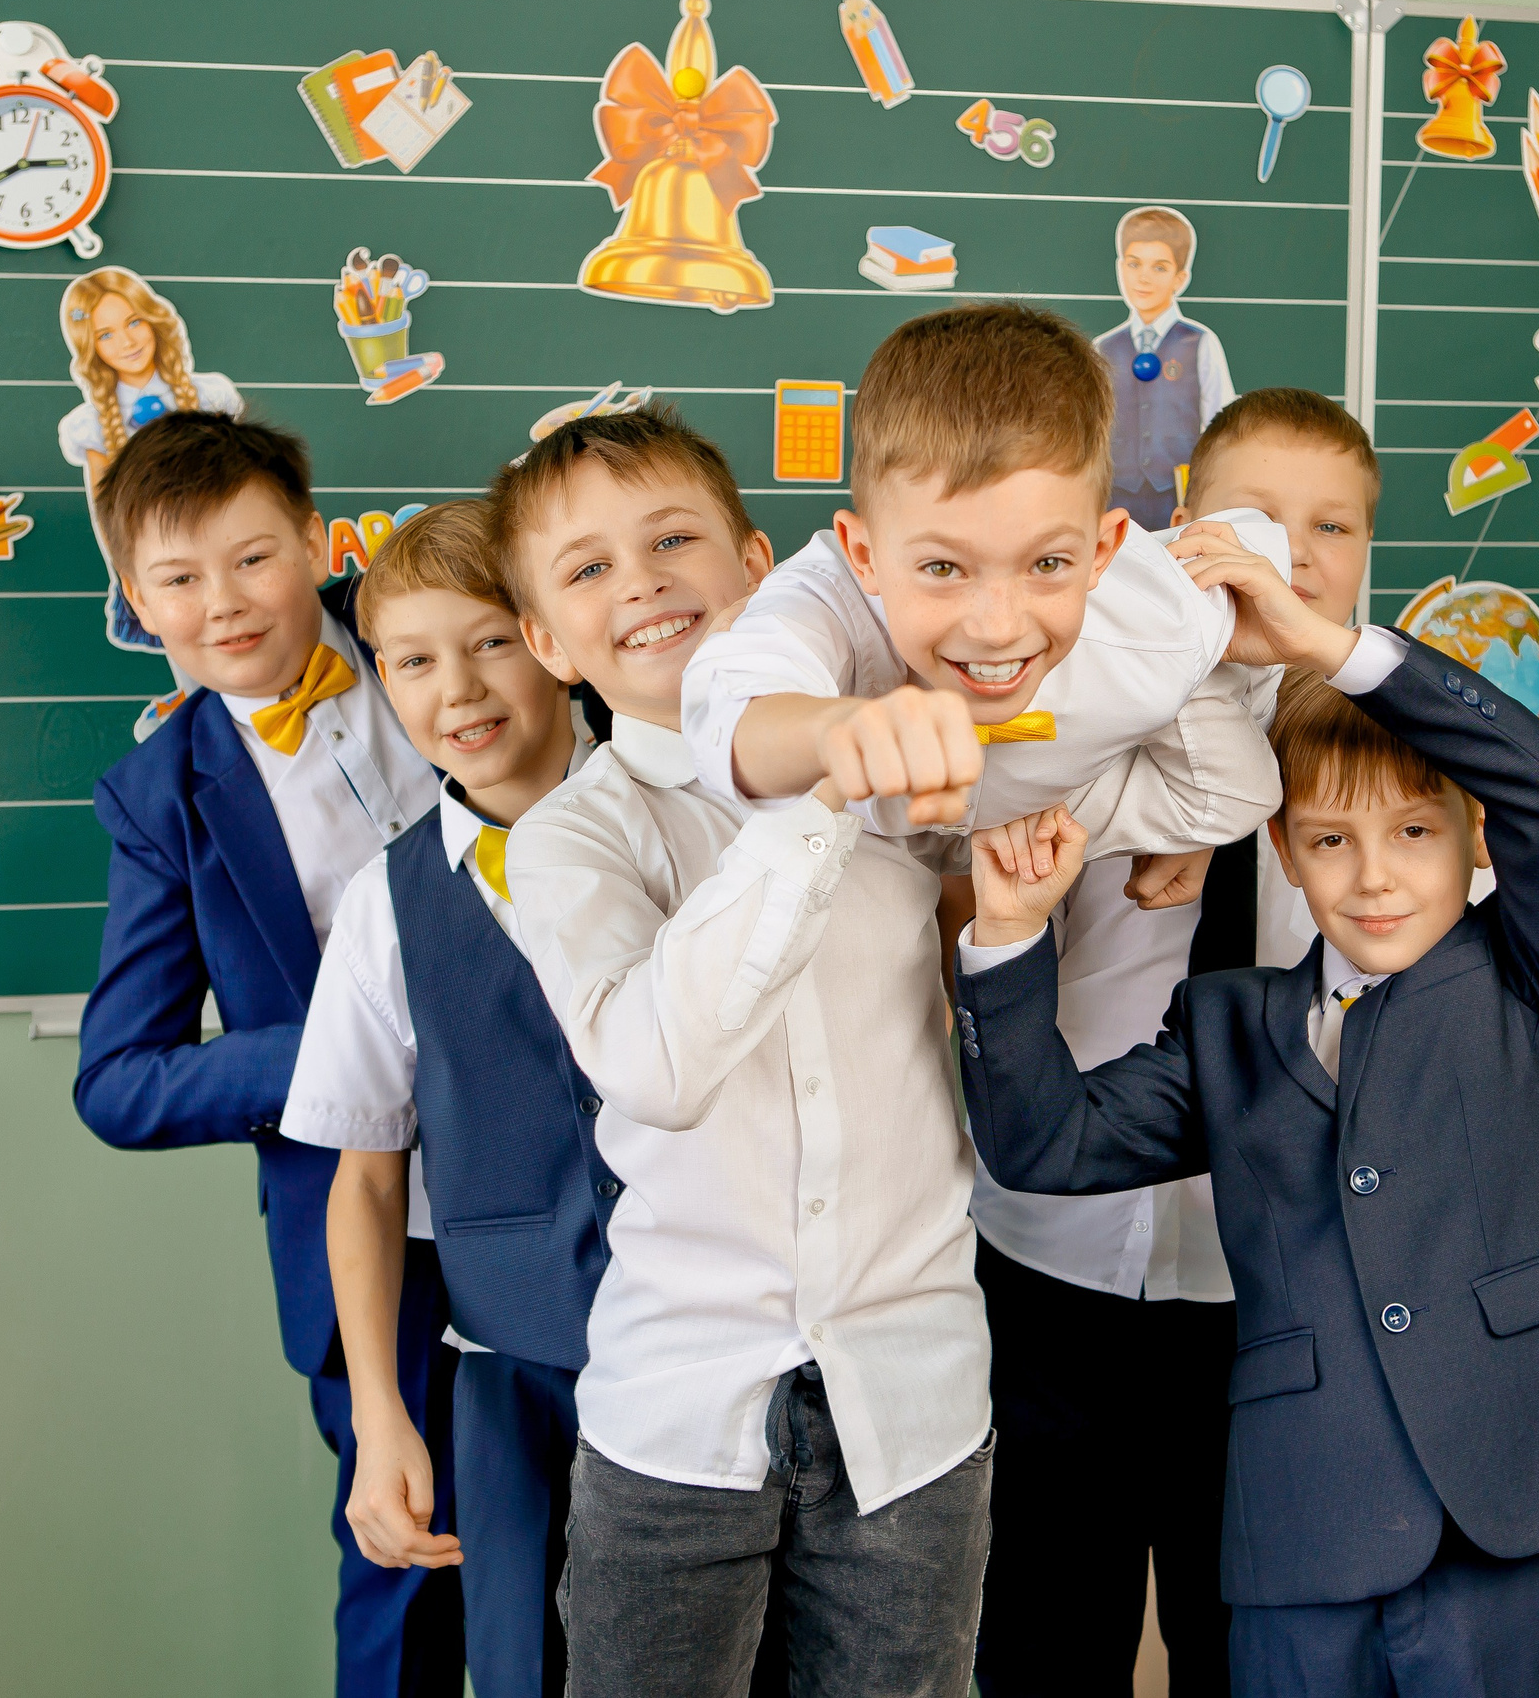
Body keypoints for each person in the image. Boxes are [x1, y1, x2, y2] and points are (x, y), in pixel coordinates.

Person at [950, 556, 1539, 1698]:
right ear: (1286, 852)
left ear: (1474, 843)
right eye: (1330, 841)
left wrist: (1328, 647)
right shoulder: (1228, 1025)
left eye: (1413, 834)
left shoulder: (1529, 986)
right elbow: (1043, 1145)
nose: (1372, 880)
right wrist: (1006, 937)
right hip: (1302, 1538)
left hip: (1508, 1521)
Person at [496, 406, 994, 1698]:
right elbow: (661, 1065)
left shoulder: (903, 754)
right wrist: (813, 781)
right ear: (548, 642)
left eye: (674, 539)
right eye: (589, 567)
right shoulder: (569, 840)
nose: (645, 581)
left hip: (914, 1393)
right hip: (678, 1404)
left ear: (763, 570)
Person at [969, 386, 1386, 1698]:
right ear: (1181, 530)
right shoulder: (1078, 710)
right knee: (1041, 1633)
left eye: (1336, 527)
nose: (1298, 555)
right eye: (1263, 517)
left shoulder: (1400, 777)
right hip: (1051, 1274)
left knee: (1250, 1645)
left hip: (1275, 1298)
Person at [70, 412, 459, 1698]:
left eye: (253, 559)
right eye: (178, 579)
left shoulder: (451, 619)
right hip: (367, 1235)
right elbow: (118, 1083)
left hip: (590, 1178)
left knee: (614, 1556)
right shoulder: (155, 795)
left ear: (312, 538)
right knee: (405, 1577)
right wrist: (333, 1053)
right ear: (137, 597)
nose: (223, 606)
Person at [278, 501, 610, 1698]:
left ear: (557, 642)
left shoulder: (685, 827)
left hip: (712, 1361)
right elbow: (364, 1177)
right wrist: (380, 1419)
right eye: (410, 661)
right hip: (515, 1383)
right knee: (525, 1668)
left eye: (489, 643)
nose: (455, 690)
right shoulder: (387, 903)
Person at [680, 301, 1283, 890]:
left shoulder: (1160, 618)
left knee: (1240, 799)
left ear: (1102, 554)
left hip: (1060, 800)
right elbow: (730, 711)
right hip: (877, 836)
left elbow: (1258, 590)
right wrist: (842, 731)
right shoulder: (828, 597)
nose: (997, 628)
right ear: (864, 555)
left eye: (1047, 564)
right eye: (943, 568)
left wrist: (1197, 690)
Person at [55, 267, 244, 656]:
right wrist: (133, 576)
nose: (126, 342)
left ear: (153, 320)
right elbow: (105, 513)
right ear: (93, 350)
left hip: (225, 554)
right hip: (159, 568)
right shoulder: (91, 425)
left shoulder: (211, 396)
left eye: (133, 322)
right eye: (105, 335)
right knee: (186, 653)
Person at [1094, 206, 1236, 531]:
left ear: (1180, 278)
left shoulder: (1200, 343)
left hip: (1178, 496)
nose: (1143, 277)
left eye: (1159, 267)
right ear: (1120, 268)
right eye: (1133, 264)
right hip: (1114, 496)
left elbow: (1222, 425)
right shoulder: (1103, 348)